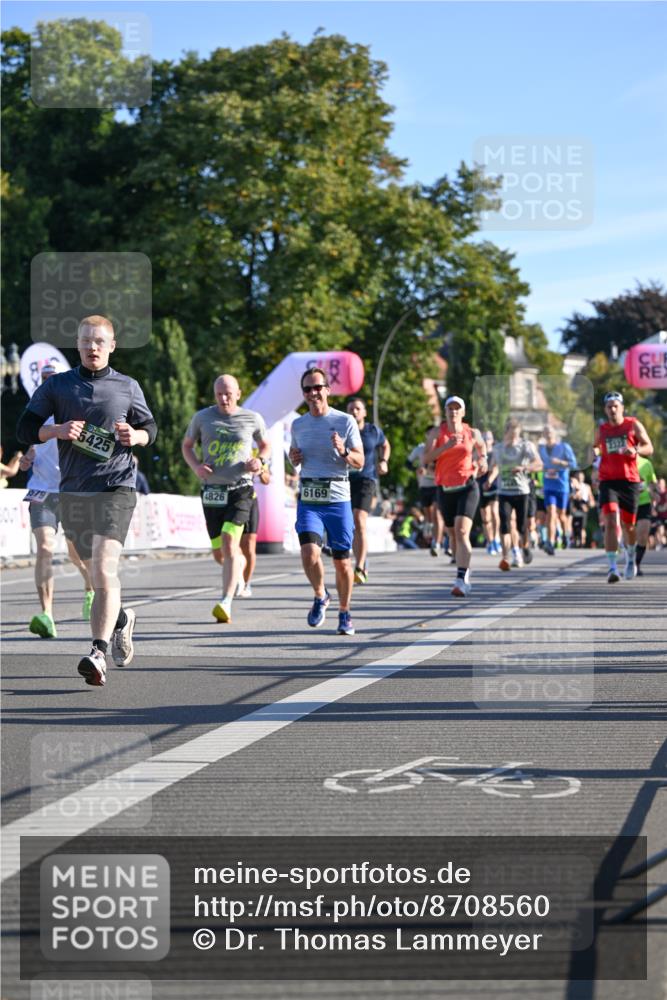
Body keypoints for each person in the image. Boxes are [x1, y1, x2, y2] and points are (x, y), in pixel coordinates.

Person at [17, 315, 157, 687]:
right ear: (77, 345)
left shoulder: (127, 386)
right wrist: (57, 430)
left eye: (100, 341)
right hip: (74, 491)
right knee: (93, 571)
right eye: (86, 341)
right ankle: (122, 619)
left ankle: (97, 652)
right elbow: (24, 428)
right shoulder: (59, 387)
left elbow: (151, 428)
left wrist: (136, 437)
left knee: (103, 569)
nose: (93, 347)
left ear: (111, 346)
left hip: (117, 487)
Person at [182, 374, 270, 622]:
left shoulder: (252, 418)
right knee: (220, 554)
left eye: (228, 393)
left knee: (231, 541)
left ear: (239, 393)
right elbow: (187, 445)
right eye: (219, 394)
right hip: (212, 491)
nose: (223, 398)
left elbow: (265, 445)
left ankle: (225, 602)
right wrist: (196, 467)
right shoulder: (202, 417)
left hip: (241, 488)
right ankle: (237, 571)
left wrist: (259, 460)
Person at [18, 362, 95, 638]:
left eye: (52, 377)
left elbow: (94, 449)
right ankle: (46, 614)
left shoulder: (76, 411)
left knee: (77, 554)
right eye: (43, 378)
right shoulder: (35, 413)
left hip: (71, 491)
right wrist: (28, 458)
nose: (47, 381)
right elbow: (33, 443)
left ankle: (89, 587)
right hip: (42, 492)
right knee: (46, 548)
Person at [289, 367, 363, 635]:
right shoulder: (298, 424)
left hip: (338, 500)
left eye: (317, 387)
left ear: (328, 390)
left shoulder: (344, 421)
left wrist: (343, 450)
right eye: (307, 389)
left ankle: (345, 612)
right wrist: (293, 459)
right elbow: (293, 454)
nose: (313, 393)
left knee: (342, 562)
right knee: (309, 553)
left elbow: (360, 460)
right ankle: (321, 595)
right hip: (309, 498)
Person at [423, 396, 487, 597]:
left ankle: (462, 579)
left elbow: (482, 450)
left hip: (467, 486)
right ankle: (462, 568)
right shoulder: (437, 432)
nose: (453, 412)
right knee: (452, 534)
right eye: (450, 408)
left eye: (457, 408)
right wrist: (446, 446)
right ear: (445, 412)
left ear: (463, 412)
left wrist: (483, 461)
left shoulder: (472, 432)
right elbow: (426, 458)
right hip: (444, 489)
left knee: (461, 531)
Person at [594, 390, 653, 582]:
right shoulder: (602, 430)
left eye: (615, 406)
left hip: (629, 481)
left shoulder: (633, 424)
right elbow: (596, 446)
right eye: (609, 406)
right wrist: (594, 451)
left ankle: (630, 557)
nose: (612, 409)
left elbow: (649, 448)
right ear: (605, 409)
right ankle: (612, 567)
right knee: (611, 520)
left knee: (629, 526)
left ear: (622, 408)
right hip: (608, 480)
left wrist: (635, 450)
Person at [346, 397, 390, 584]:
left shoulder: (373, 431)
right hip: (345, 480)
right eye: (351, 409)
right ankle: (360, 560)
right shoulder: (342, 430)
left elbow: (385, 444)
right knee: (351, 524)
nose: (354, 412)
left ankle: (360, 566)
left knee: (359, 519)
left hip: (367, 479)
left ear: (364, 412)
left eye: (357, 408)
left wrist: (383, 460)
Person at [488, 418, 542, 572]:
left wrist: (524, 467)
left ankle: (524, 547)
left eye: (516, 435)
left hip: (522, 491)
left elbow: (539, 463)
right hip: (504, 491)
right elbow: (494, 467)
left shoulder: (525, 446)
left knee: (521, 527)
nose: (513, 438)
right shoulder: (498, 449)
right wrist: (490, 479)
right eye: (511, 435)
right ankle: (506, 557)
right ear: (506, 433)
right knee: (505, 524)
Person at [538, 426, 577, 555]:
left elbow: (573, 464)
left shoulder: (564, 447)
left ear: (554, 434)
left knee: (561, 515)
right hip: (549, 487)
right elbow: (536, 463)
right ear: (543, 435)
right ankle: (550, 542)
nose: (548, 434)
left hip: (562, 487)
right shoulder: (541, 449)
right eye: (546, 432)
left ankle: (566, 535)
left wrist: (559, 462)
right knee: (551, 513)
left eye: (550, 432)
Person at [407, 429, 444, 557]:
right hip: (424, 485)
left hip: (438, 485)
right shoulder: (420, 449)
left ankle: (437, 543)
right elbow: (408, 463)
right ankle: (432, 534)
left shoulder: (441, 448)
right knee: (428, 515)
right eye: (429, 435)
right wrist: (417, 468)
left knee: (436, 513)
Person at [477, 430, 500, 555]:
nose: (486, 440)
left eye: (488, 438)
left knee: (494, 512)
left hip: (494, 485)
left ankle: (496, 538)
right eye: (484, 438)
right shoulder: (478, 453)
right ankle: (490, 541)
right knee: (485, 516)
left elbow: (496, 468)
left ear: (492, 440)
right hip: (481, 486)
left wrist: (489, 481)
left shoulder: (496, 452)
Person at [635, 455, 658, 575]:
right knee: (630, 535)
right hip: (627, 502)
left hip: (644, 502)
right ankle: (629, 559)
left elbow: (653, 482)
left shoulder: (646, 463)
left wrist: (655, 492)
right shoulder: (621, 462)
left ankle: (636, 564)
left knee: (643, 535)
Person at [569, 471, 595, 548]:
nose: (580, 479)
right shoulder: (572, 485)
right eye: (578, 477)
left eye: (581, 477)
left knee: (582, 527)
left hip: (583, 506)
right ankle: (572, 540)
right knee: (572, 525)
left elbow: (591, 498)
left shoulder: (587, 487)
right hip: (574, 505)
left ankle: (582, 542)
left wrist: (590, 504)